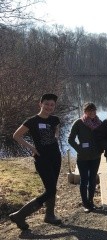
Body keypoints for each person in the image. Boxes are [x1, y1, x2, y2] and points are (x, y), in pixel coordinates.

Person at [9, 93, 62, 230]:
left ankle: (49, 215)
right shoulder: (32, 121)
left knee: (52, 188)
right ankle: (20, 215)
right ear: (40, 104)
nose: (49, 107)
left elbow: (56, 130)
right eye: (46, 104)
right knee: (50, 190)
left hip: (56, 157)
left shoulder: (55, 119)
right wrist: (32, 148)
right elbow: (17, 136)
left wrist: (56, 135)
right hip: (42, 159)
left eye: (52, 105)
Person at [68, 102, 102, 212]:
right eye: (89, 110)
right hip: (83, 157)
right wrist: (79, 149)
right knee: (84, 180)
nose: (92, 112)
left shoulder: (99, 122)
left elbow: (103, 137)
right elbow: (70, 139)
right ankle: (85, 203)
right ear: (85, 111)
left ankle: (91, 201)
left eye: (94, 110)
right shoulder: (78, 123)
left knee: (92, 179)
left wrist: (101, 148)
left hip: (95, 156)